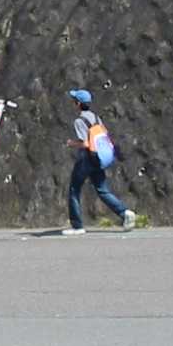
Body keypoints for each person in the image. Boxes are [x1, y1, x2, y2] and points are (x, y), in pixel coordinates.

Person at [63, 88, 138, 236]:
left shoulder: (80, 120)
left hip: (86, 158)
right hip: (98, 158)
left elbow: (85, 143)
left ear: (78, 104)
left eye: (74, 101)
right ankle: (125, 213)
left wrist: (71, 143)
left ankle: (77, 226)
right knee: (102, 190)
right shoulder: (96, 118)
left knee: (74, 190)